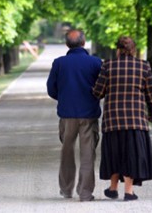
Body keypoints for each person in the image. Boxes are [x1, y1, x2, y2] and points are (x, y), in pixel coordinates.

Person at [92, 36, 152, 201]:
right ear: (133, 50)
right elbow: (151, 94)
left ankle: (113, 188)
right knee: (131, 154)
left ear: (118, 50)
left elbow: (98, 93)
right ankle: (128, 192)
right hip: (136, 119)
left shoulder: (108, 66)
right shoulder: (143, 66)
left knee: (114, 152)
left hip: (113, 119)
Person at [47, 29, 102, 202]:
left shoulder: (59, 63)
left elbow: (51, 89)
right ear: (84, 42)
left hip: (67, 115)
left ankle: (66, 189)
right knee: (87, 154)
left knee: (67, 152)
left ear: (66, 44)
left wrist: (63, 98)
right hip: (89, 114)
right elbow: (102, 88)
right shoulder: (96, 63)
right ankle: (85, 193)